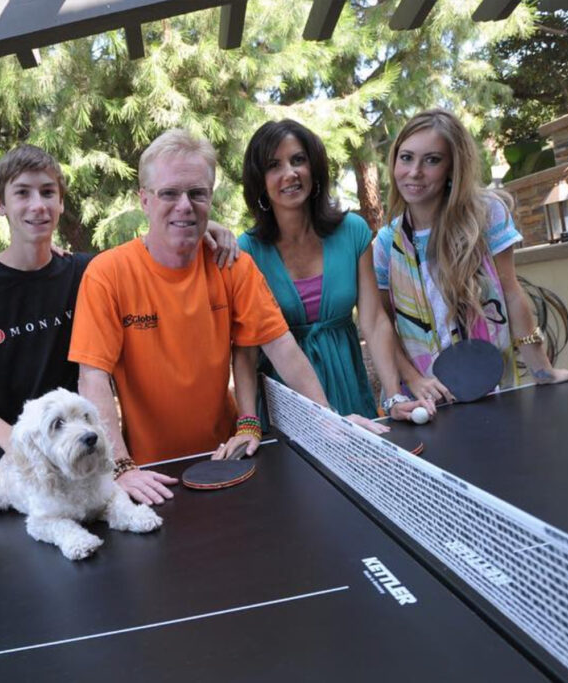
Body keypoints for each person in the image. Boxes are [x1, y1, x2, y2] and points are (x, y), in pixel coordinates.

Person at [69, 129, 383, 506]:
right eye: (169, 193)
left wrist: (328, 418)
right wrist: (120, 466)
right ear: (145, 200)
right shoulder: (107, 274)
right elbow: (93, 377)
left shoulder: (232, 266)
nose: (184, 205)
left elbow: (281, 346)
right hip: (148, 473)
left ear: (210, 198)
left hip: (230, 457)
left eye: (197, 193)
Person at [0, 144, 239, 476]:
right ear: (0, 204)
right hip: (19, 465)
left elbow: (148, 251)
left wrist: (201, 230)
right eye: (22, 193)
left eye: (48, 192)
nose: (37, 205)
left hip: (88, 458)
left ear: (61, 202)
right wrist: (16, 440)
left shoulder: (87, 273)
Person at [373, 108, 568, 403]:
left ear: (452, 168)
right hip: (424, 399)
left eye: (431, 160)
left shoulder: (486, 215)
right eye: (406, 157)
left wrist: (543, 371)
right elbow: (381, 324)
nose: (414, 171)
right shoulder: (385, 245)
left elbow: (511, 293)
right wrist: (413, 380)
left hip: (490, 386)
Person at [237, 119, 433, 422]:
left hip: (350, 387)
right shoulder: (247, 252)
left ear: (313, 168)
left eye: (298, 160)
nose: (289, 173)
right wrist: (247, 423)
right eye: (273, 165)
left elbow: (374, 320)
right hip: (287, 401)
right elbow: (246, 350)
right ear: (259, 180)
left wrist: (394, 394)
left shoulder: (352, 231)